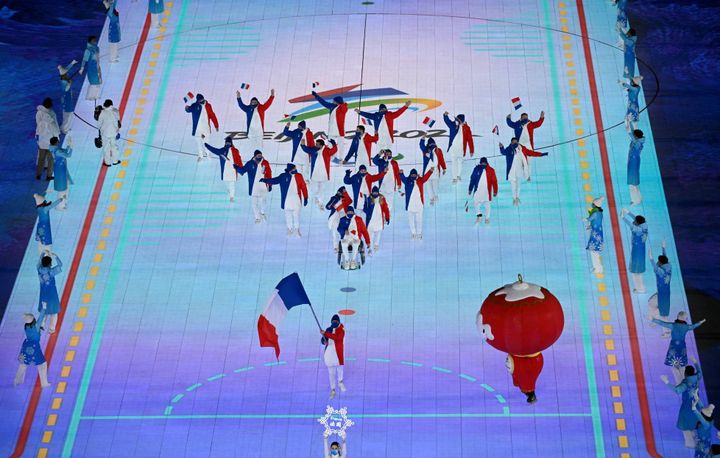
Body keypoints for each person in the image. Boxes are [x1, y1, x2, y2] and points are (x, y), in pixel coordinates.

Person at [660, 357, 703, 447]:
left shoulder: (686, 383)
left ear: (685, 374)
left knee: (684, 424)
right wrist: (695, 362)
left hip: (687, 407)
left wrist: (666, 381)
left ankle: (690, 443)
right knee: (693, 422)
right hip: (696, 404)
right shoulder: (697, 378)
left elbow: (677, 390)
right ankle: (695, 438)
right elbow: (699, 371)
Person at [654, 312, 706, 384]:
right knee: (682, 365)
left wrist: (653, 320)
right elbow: (694, 326)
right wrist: (701, 322)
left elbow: (662, 323)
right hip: (682, 347)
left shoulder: (673, 325)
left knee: (673, 366)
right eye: (686, 317)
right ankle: (683, 382)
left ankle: (679, 383)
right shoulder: (686, 327)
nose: (687, 318)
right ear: (684, 318)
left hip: (673, 347)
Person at [261, 163, 308, 236]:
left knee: (296, 215)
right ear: (290, 169)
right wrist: (265, 180)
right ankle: (289, 229)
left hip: (296, 199)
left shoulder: (299, 176)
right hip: (287, 199)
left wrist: (306, 197)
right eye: (294, 168)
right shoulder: (283, 176)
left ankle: (297, 229)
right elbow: (274, 180)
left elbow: (303, 187)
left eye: (295, 168)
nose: (295, 170)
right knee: (288, 215)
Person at [14, 308, 51, 388]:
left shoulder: (26, 326)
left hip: (26, 345)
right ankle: (44, 383)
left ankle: (17, 381)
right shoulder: (36, 326)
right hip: (34, 347)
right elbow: (41, 317)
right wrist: (44, 308)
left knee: (23, 364)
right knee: (42, 364)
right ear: (33, 319)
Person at [506, 111, 545, 179]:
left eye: (526, 118)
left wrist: (541, 117)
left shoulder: (531, 124)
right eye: (524, 118)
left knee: (528, 162)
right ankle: (518, 174)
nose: (525, 119)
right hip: (519, 146)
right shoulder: (517, 124)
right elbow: (510, 124)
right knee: (520, 161)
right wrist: (508, 118)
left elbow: (538, 124)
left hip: (529, 145)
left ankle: (528, 175)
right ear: (521, 118)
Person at [300, 138, 338, 208]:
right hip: (315, 173)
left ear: (321, 145)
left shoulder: (327, 150)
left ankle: (320, 202)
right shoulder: (313, 149)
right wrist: (302, 145)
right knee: (315, 189)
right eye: (315, 144)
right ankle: (316, 196)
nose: (315, 145)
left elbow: (334, 150)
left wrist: (333, 143)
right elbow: (306, 149)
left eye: (317, 144)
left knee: (322, 189)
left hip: (324, 174)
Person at [237, 149, 273, 223]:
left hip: (263, 186)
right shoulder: (250, 163)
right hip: (253, 187)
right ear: (254, 156)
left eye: (261, 155)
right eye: (258, 155)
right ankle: (257, 218)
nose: (260, 156)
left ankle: (262, 213)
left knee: (264, 202)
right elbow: (242, 171)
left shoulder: (265, 163)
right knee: (254, 204)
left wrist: (270, 184)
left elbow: (269, 173)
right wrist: (236, 167)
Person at [205, 136, 243, 202]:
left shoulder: (235, 151)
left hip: (233, 170)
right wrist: (206, 145)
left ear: (231, 143)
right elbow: (214, 150)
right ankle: (230, 192)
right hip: (225, 170)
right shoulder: (222, 150)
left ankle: (232, 196)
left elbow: (239, 159)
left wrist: (241, 168)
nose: (228, 144)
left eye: (229, 143)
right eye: (227, 143)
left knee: (231, 183)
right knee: (227, 182)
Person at [399, 167, 433, 239]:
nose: (413, 176)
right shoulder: (407, 181)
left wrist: (430, 171)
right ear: (410, 175)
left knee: (419, 220)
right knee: (411, 220)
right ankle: (413, 233)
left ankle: (419, 233)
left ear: (416, 175)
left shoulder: (420, 180)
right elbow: (403, 178)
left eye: (415, 175)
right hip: (410, 205)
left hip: (419, 204)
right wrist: (401, 173)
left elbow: (425, 178)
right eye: (412, 175)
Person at [236, 89, 274, 153]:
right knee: (251, 149)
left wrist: (272, 96)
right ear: (250, 102)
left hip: (260, 132)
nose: (254, 102)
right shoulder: (248, 108)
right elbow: (241, 105)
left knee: (260, 149)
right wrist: (238, 97)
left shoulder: (262, 107)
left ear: (257, 102)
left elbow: (268, 103)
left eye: (255, 101)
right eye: (252, 102)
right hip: (251, 132)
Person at [312, 90, 348, 158]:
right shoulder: (332, 106)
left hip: (340, 129)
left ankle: (341, 158)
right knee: (330, 144)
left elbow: (344, 108)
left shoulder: (343, 108)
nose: (332, 101)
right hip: (332, 129)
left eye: (334, 100)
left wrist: (342, 103)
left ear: (337, 101)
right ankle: (331, 157)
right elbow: (323, 102)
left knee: (341, 145)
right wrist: (316, 96)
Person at [184, 93, 219, 161]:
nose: (202, 101)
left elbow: (212, 115)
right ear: (197, 101)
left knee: (206, 142)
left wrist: (216, 125)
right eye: (200, 101)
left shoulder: (208, 106)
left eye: (202, 100)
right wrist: (186, 108)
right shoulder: (194, 105)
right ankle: (200, 156)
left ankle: (208, 154)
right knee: (199, 143)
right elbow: (189, 110)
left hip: (206, 128)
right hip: (197, 129)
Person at [621, 209, 648, 292]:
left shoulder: (637, 229)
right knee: (638, 271)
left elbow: (630, 224)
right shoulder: (644, 225)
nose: (634, 221)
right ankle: (641, 287)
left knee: (635, 272)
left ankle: (639, 289)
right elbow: (636, 219)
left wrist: (622, 217)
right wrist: (628, 212)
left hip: (636, 250)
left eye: (635, 221)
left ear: (637, 223)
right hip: (641, 249)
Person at [443, 112, 474, 183]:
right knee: (454, 162)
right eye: (456, 119)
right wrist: (445, 116)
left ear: (462, 121)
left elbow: (470, 139)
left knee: (460, 162)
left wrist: (471, 150)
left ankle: (458, 175)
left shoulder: (466, 128)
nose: (457, 121)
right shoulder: (453, 125)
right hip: (453, 148)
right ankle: (454, 178)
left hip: (461, 148)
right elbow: (447, 121)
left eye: (458, 120)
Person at [37, 252, 63, 334]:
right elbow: (60, 265)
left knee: (44, 309)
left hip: (43, 292)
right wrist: (56, 256)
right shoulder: (51, 272)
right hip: (52, 294)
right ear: (50, 264)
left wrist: (43, 254)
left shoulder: (39, 270)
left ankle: (42, 324)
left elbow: (38, 263)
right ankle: (51, 329)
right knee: (54, 312)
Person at [321, 314, 346, 399]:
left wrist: (326, 333)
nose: (334, 323)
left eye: (336, 321)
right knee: (331, 373)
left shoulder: (341, 330)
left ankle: (340, 382)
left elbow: (337, 338)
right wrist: (324, 340)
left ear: (339, 322)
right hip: (330, 354)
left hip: (338, 354)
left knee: (340, 369)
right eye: (333, 321)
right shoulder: (328, 329)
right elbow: (323, 340)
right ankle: (333, 390)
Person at [468, 157, 498, 225]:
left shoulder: (491, 170)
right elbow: (472, 179)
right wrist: (470, 189)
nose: (483, 164)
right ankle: (479, 216)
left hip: (486, 192)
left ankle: (487, 218)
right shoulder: (476, 169)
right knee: (476, 203)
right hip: (477, 191)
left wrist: (495, 191)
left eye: (484, 163)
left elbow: (494, 181)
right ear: (480, 163)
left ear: (487, 163)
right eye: (482, 163)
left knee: (487, 205)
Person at [35, 98, 60, 181]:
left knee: (41, 159)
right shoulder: (51, 114)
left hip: (42, 140)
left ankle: (38, 174)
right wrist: (57, 137)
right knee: (51, 159)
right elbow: (54, 127)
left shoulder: (39, 113)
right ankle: (49, 175)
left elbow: (38, 125)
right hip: (50, 141)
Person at [648, 240, 672, 327]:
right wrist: (663, 248)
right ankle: (655, 320)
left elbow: (655, 267)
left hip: (662, 294)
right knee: (651, 303)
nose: (658, 262)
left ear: (661, 263)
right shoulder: (669, 265)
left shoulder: (661, 272)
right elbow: (665, 258)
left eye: (658, 261)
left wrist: (651, 258)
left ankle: (667, 331)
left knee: (663, 313)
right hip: (664, 292)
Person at [499, 139, 528, 206]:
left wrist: (526, 171)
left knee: (518, 185)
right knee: (513, 186)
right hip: (511, 171)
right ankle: (514, 198)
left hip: (518, 170)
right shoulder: (509, 149)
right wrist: (501, 147)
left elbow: (524, 160)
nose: (515, 143)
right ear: (511, 142)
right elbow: (503, 152)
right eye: (514, 142)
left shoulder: (520, 149)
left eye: (516, 142)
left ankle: (517, 197)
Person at [419, 138, 447, 205]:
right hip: (427, 172)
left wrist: (444, 168)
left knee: (435, 186)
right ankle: (431, 198)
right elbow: (421, 145)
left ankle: (435, 195)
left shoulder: (438, 150)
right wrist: (422, 138)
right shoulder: (425, 150)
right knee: (429, 187)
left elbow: (441, 159)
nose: (432, 147)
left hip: (435, 172)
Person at [363, 186, 390, 254]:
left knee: (378, 233)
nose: (375, 193)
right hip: (370, 220)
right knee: (370, 235)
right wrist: (368, 211)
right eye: (373, 192)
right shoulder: (368, 199)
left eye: (376, 192)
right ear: (372, 192)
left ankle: (376, 244)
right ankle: (370, 249)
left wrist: (387, 217)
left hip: (379, 219)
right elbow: (364, 208)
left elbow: (386, 209)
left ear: (378, 192)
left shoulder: (382, 199)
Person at [326, 187, 353, 251]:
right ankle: (336, 246)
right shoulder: (334, 198)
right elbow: (328, 207)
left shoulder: (345, 199)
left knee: (346, 230)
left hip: (344, 216)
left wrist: (345, 193)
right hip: (335, 216)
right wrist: (335, 200)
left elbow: (350, 201)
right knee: (335, 230)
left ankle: (348, 243)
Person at [49, 137, 72, 210]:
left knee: (65, 185)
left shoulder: (55, 149)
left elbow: (64, 151)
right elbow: (67, 155)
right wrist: (71, 148)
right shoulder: (57, 151)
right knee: (62, 189)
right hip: (60, 170)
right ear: (56, 142)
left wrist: (68, 146)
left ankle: (63, 202)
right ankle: (60, 206)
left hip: (60, 168)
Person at [98, 99, 121, 167]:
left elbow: (99, 123)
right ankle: (115, 161)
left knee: (106, 147)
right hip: (114, 132)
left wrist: (100, 130)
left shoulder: (103, 112)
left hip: (105, 133)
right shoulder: (115, 111)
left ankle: (107, 162)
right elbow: (118, 121)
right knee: (114, 147)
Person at [585, 197, 605, 274]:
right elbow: (596, 222)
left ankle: (598, 268)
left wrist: (585, 220)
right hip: (598, 231)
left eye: (593, 203)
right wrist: (590, 226)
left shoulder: (595, 213)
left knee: (594, 251)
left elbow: (589, 219)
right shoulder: (599, 213)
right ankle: (597, 267)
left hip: (595, 233)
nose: (592, 204)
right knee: (594, 251)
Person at [58, 60, 78, 134]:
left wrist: (72, 63)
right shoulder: (64, 82)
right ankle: (64, 128)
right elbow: (66, 89)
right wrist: (70, 83)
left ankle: (64, 126)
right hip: (67, 99)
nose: (67, 74)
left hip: (67, 98)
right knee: (68, 115)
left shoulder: (63, 79)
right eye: (66, 74)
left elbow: (66, 69)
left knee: (67, 114)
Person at [79, 36, 102, 101]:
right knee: (93, 82)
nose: (95, 41)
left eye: (95, 40)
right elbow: (84, 60)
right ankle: (89, 96)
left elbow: (97, 57)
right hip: (91, 68)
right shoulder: (88, 50)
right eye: (94, 40)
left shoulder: (97, 48)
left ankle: (96, 95)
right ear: (90, 41)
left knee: (99, 81)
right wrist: (82, 68)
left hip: (97, 66)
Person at [626, 129, 645, 205]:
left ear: (636, 136)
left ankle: (635, 200)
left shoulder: (637, 143)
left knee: (632, 183)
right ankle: (639, 198)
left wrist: (627, 123)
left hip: (633, 162)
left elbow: (630, 134)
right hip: (634, 161)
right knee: (634, 182)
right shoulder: (639, 141)